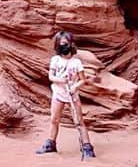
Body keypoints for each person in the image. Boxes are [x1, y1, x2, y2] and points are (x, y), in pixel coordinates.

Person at [35, 30, 96, 159]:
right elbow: (51, 76)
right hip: (58, 94)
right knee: (54, 119)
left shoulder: (76, 62)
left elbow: (83, 80)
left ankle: (87, 147)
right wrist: (60, 80)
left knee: (79, 122)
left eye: (65, 43)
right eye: (60, 44)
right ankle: (51, 144)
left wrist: (74, 86)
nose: (63, 46)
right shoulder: (55, 60)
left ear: (71, 44)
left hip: (72, 95)